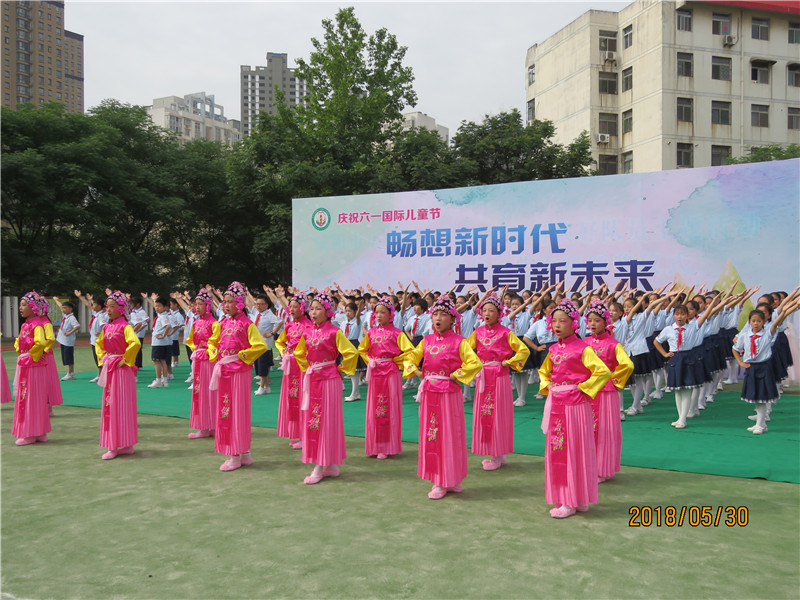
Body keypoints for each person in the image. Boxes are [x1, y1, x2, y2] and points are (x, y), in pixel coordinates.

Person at [403, 296, 482, 500]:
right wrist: (416, 371)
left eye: (443, 314)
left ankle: (452, 478)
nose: (438, 318)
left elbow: (474, 363)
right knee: (434, 433)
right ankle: (439, 479)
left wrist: (455, 375)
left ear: (452, 319)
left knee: (450, 433)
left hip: (449, 393)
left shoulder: (459, 342)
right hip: (430, 392)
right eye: (435, 314)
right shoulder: (426, 341)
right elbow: (410, 357)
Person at [538, 300, 611, 518]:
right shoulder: (552, 349)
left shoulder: (583, 348)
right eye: (554, 321)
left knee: (575, 450)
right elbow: (544, 372)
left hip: (576, 406)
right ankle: (572, 498)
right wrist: (548, 385)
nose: (558, 325)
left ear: (574, 324)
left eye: (563, 321)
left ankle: (572, 500)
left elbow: (603, 372)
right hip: (558, 403)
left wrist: (582, 389)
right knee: (561, 449)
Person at [293, 292, 358, 484]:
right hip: (314, 378)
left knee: (327, 420)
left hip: (329, 381)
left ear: (328, 311)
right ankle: (330, 465)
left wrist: (338, 369)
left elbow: (351, 352)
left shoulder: (334, 332)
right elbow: (299, 352)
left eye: (318, 308)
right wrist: (309, 368)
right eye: (311, 308)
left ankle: (321, 465)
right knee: (315, 419)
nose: (313, 312)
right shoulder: (307, 332)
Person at [208, 282, 267, 471]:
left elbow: (260, 346)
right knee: (228, 409)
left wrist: (242, 356)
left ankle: (236, 454)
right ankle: (244, 453)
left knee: (237, 411)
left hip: (239, 371)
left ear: (240, 303)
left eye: (230, 302)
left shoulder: (247, 324)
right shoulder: (223, 323)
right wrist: (215, 355)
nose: (226, 305)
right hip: (225, 370)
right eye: (225, 302)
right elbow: (212, 342)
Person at [467, 294, 530, 471]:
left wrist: (507, 362)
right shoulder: (477, 332)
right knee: (486, 414)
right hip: (484, 376)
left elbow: (523, 350)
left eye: (491, 310)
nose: (487, 313)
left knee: (498, 415)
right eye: (484, 310)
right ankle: (497, 454)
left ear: (499, 313)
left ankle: (497, 453)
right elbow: (464, 349)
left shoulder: (505, 332)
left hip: (499, 378)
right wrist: (474, 363)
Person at [733, 295, 800, 434]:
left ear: (765, 320)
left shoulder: (769, 332)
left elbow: (780, 318)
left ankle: (760, 423)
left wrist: (794, 305)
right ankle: (761, 423)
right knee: (756, 396)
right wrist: (740, 362)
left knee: (763, 396)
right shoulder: (746, 335)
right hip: (751, 368)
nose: (756, 323)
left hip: (764, 367)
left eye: (759, 320)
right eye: (753, 321)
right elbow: (735, 349)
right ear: (750, 322)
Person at [358, 296, 413, 460]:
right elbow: (362, 350)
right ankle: (374, 445)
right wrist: (370, 361)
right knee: (374, 408)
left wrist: (396, 362)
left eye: (383, 312)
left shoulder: (397, 333)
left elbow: (410, 352)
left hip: (390, 374)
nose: (379, 315)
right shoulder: (371, 332)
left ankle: (387, 446)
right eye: (377, 312)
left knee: (389, 408)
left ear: (391, 314)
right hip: (375, 374)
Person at [583, 300, 633, 482]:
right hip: (588, 392)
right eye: (590, 321)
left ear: (605, 322)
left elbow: (627, 365)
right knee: (587, 429)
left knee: (603, 430)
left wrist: (612, 379)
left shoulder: (613, 344)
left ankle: (602, 469)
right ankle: (588, 465)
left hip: (605, 393)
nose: (593, 324)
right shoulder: (584, 342)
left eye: (597, 320)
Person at [95, 291, 142, 459]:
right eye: (107, 306)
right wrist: (103, 357)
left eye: (112, 306)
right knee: (112, 403)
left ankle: (123, 444)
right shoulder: (107, 327)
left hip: (122, 370)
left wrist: (126, 359)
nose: (108, 309)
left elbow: (135, 343)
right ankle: (115, 443)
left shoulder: (125, 326)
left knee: (122, 404)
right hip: (111, 368)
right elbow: (99, 344)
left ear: (121, 308)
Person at [11, 292, 52, 445]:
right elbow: (19, 341)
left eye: (23, 305)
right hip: (32, 363)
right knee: (35, 397)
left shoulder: (35, 324)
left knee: (28, 397)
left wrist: (30, 355)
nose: (20, 308)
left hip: (31, 365)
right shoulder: (27, 324)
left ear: (33, 308)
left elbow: (41, 342)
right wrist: (23, 352)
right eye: (20, 305)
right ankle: (39, 432)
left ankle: (30, 433)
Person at [274, 293, 313, 449]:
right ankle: (297, 433)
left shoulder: (309, 325)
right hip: (290, 367)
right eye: (290, 306)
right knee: (292, 398)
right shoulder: (289, 325)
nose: (291, 309)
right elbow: (280, 341)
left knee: (303, 399)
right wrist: (284, 351)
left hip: (302, 367)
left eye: (295, 306)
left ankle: (306, 435)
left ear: (303, 308)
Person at [185, 288, 220, 439]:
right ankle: (204, 426)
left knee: (210, 392)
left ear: (208, 306)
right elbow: (190, 340)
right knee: (200, 392)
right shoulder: (196, 322)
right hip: (199, 360)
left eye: (201, 304)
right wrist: (197, 349)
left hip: (210, 361)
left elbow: (218, 342)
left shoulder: (214, 323)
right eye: (196, 304)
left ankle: (211, 426)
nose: (197, 307)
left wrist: (207, 351)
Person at [250, 293, 282, 396]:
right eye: (257, 304)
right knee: (260, 366)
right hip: (256, 344)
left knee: (263, 367)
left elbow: (280, 322)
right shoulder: (256, 313)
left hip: (264, 345)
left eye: (261, 304)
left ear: (266, 305)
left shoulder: (269, 314)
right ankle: (266, 386)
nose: (258, 306)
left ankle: (262, 387)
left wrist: (272, 333)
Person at [146, 296, 173, 388]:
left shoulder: (163, 316)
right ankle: (164, 380)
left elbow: (168, 326)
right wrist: (153, 299)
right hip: (161, 342)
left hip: (159, 343)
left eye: (159, 306)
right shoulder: (161, 315)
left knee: (156, 361)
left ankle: (158, 379)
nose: (156, 307)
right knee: (162, 361)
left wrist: (163, 335)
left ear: (165, 307)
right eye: (156, 306)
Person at [52, 299, 80, 380]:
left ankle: (71, 373)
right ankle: (69, 373)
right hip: (63, 340)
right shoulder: (65, 316)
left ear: (70, 309)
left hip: (68, 341)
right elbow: (60, 306)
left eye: (65, 308)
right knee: (65, 356)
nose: (63, 309)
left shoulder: (71, 318)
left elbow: (77, 326)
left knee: (68, 357)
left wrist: (69, 332)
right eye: (63, 308)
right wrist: (56, 300)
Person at [129, 296, 150, 372]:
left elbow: (147, 320)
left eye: (133, 304)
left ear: (137, 304)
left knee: (138, 349)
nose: (131, 305)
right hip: (135, 331)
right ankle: (136, 364)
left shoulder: (141, 312)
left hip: (139, 333)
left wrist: (138, 329)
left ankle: (139, 365)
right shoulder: (134, 311)